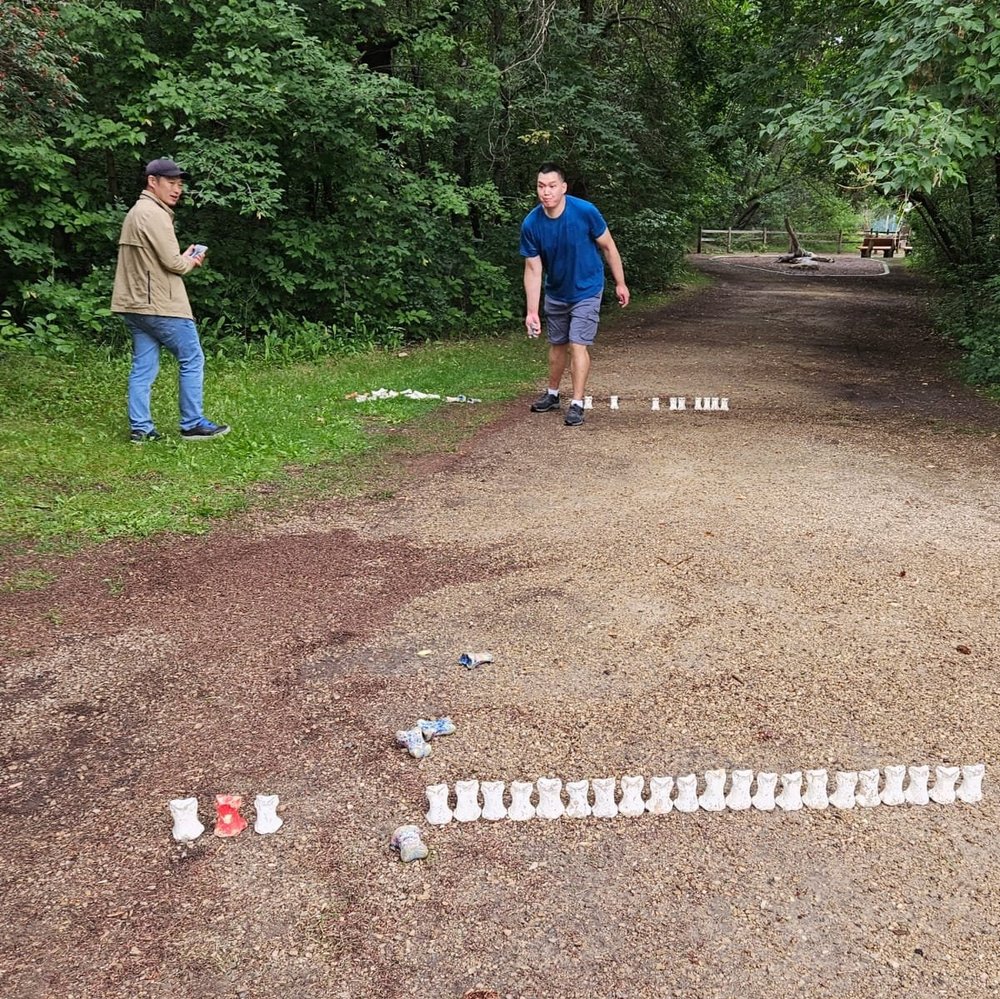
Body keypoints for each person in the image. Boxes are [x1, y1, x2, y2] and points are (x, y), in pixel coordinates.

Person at [111, 157, 229, 442]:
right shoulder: (154, 213)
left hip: (134, 303)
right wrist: (192, 260)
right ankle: (193, 423)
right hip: (160, 304)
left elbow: (156, 259)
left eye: (180, 184)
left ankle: (141, 428)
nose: (177, 189)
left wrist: (182, 258)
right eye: (171, 183)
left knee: (144, 366)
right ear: (153, 182)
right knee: (192, 358)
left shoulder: (137, 212)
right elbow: (174, 264)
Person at [519, 162, 629, 427]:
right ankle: (553, 394)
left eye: (552, 186)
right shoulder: (532, 223)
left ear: (563, 188)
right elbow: (533, 269)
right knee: (557, 344)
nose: (546, 192)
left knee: (577, 343)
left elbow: (609, 247)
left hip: (587, 289)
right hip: (557, 291)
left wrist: (620, 282)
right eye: (541, 186)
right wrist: (532, 311)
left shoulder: (585, 212)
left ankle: (577, 403)